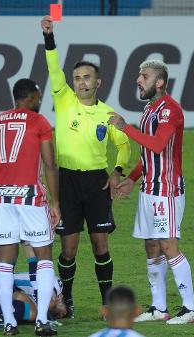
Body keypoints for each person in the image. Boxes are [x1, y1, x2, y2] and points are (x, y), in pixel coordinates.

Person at [40, 16, 131, 317]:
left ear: (98, 82)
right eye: (77, 77)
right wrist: (49, 39)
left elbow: (124, 145)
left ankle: (107, 304)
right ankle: (66, 301)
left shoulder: (108, 114)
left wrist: (117, 171)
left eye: (86, 77)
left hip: (96, 183)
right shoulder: (63, 99)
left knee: (100, 242)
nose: (81, 82)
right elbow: (54, 68)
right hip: (65, 181)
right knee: (68, 248)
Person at [107, 60, 194, 325]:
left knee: (168, 245)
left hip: (167, 190)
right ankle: (159, 308)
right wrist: (132, 179)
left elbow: (159, 145)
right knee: (151, 246)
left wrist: (125, 128)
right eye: (139, 75)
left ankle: (190, 309)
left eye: (144, 76)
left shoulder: (170, 110)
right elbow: (147, 152)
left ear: (159, 82)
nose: (139, 80)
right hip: (149, 188)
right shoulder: (149, 110)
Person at [0, 78, 60, 336]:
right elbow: (50, 165)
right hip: (31, 199)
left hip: (3, 200)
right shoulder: (39, 123)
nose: (40, 100)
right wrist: (55, 202)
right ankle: (42, 321)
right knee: (44, 257)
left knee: (5, 263)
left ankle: (8, 323)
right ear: (32, 97)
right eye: (39, 96)